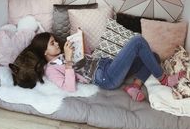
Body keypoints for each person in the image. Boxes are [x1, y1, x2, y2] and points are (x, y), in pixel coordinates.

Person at [30, 32, 185, 102]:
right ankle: (164, 79)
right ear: (44, 51)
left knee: (153, 56)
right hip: (105, 77)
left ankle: (134, 87)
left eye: (54, 40)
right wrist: (69, 60)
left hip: (107, 64)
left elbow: (88, 56)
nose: (57, 43)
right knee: (137, 41)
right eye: (52, 43)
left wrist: (81, 42)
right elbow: (69, 87)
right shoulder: (51, 69)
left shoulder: (64, 52)